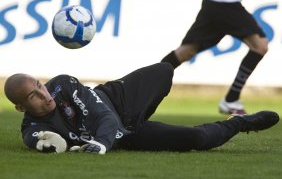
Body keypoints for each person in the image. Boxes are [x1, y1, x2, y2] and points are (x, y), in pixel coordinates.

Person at [4, 63, 279, 154]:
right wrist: (43, 144)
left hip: (117, 103)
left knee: (164, 71)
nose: (44, 94)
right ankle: (241, 123)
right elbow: (35, 139)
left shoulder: (62, 85)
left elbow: (104, 117)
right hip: (128, 135)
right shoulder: (33, 127)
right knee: (198, 139)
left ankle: (141, 113)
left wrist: (101, 143)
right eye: (34, 95)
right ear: (21, 107)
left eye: (40, 85)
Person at [161, 0, 268, 115]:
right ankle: (231, 100)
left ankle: (143, 84)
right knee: (259, 45)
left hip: (215, 3)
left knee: (186, 52)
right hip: (225, 3)